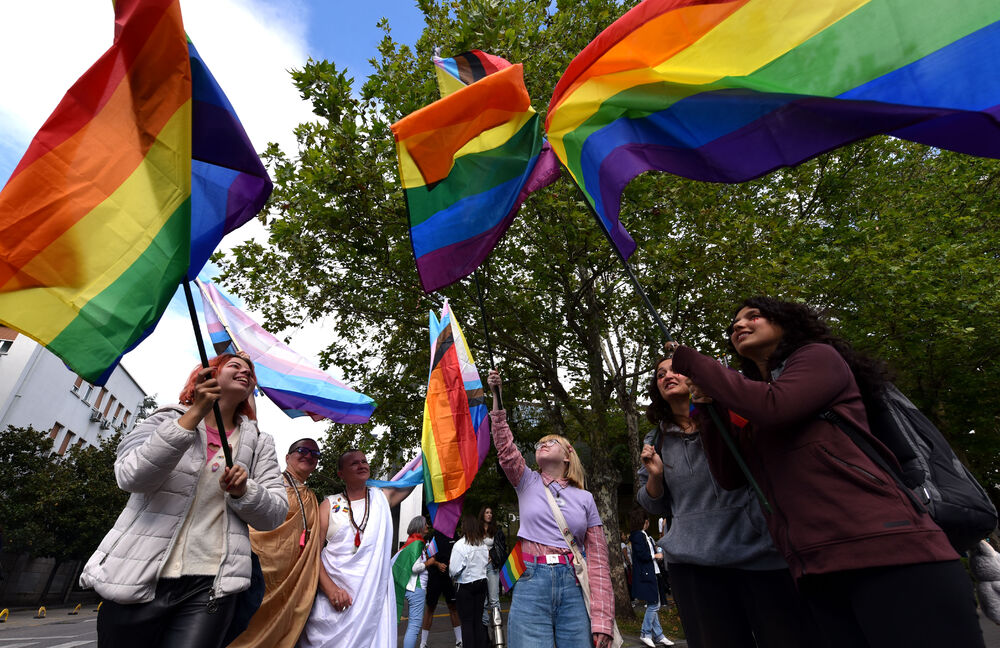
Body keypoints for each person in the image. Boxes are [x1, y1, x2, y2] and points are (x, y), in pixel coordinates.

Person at [673, 296, 985, 648]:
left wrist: (693, 362)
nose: (739, 327)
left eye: (753, 317)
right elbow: (731, 476)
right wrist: (707, 408)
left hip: (892, 554)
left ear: (786, 323)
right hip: (817, 571)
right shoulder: (754, 406)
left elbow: (776, 407)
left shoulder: (818, 358)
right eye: (733, 327)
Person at [80, 353, 288, 648]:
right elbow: (131, 476)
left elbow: (275, 514)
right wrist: (193, 415)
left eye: (249, 370)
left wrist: (245, 492)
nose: (245, 371)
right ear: (208, 375)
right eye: (235, 366)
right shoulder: (165, 417)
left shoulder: (259, 442)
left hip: (211, 584)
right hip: (138, 577)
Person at [637, 354, 815, 648]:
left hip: (758, 554)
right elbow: (653, 505)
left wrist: (711, 409)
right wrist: (655, 476)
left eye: (676, 370)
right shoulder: (655, 439)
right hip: (693, 564)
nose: (667, 376)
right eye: (660, 375)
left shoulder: (732, 418)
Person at [486, 370, 614, 648]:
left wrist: (603, 620)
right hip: (531, 581)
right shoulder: (526, 480)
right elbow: (506, 447)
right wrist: (497, 396)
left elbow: (599, 562)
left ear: (568, 455)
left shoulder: (586, 498)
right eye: (540, 442)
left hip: (573, 584)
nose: (543, 443)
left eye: (551, 441)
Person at [298, 449, 417, 648]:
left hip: (372, 600)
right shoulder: (328, 505)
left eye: (364, 461)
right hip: (335, 601)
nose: (362, 465)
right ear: (341, 473)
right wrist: (330, 589)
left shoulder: (383, 498)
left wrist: (437, 445)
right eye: (354, 463)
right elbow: (312, 554)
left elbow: (414, 477)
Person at [227, 438, 323, 648]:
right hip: (259, 569)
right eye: (303, 450)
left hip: (292, 577)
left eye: (315, 454)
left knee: (281, 628)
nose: (309, 456)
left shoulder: (311, 496)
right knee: (245, 624)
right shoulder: (272, 485)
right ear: (287, 457)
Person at [628, 509, 673, 647]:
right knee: (654, 604)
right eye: (647, 520)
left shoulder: (642, 535)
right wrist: (655, 556)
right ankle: (645, 633)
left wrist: (655, 555)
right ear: (644, 521)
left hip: (651, 571)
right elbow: (641, 555)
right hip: (646, 573)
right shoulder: (638, 536)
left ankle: (658, 635)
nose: (648, 523)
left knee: (654, 603)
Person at [450, 514, 491, 648]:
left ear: (465, 527)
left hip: (465, 585)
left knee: (467, 622)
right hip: (482, 583)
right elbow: (486, 562)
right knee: (478, 621)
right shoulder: (482, 544)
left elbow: (454, 570)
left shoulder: (460, 545)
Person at [421, 527, 463, 648]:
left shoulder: (454, 534)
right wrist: (438, 564)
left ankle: (459, 641)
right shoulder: (433, 536)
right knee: (430, 608)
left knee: (453, 607)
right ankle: (423, 643)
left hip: (449, 578)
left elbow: (459, 553)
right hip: (434, 577)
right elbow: (427, 557)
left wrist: (452, 562)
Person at [395, 516, 432, 648]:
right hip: (417, 588)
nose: (427, 526)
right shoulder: (417, 543)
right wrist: (428, 563)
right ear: (420, 527)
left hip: (408, 587)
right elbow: (415, 567)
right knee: (414, 626)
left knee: (411, 625)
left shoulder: (409, 543)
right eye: (425, 524)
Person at [480, 506, 506, 628]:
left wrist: (492, 555)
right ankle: (485, 631)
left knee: (494, 599)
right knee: (483, 601)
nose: (489, 515)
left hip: (491, 566)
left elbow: (501, 549)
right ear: (482, 514)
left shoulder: (496, 530)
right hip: (479, 567)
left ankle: (497, 629)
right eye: (487, 512)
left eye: (491, 512)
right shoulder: (477, 530)